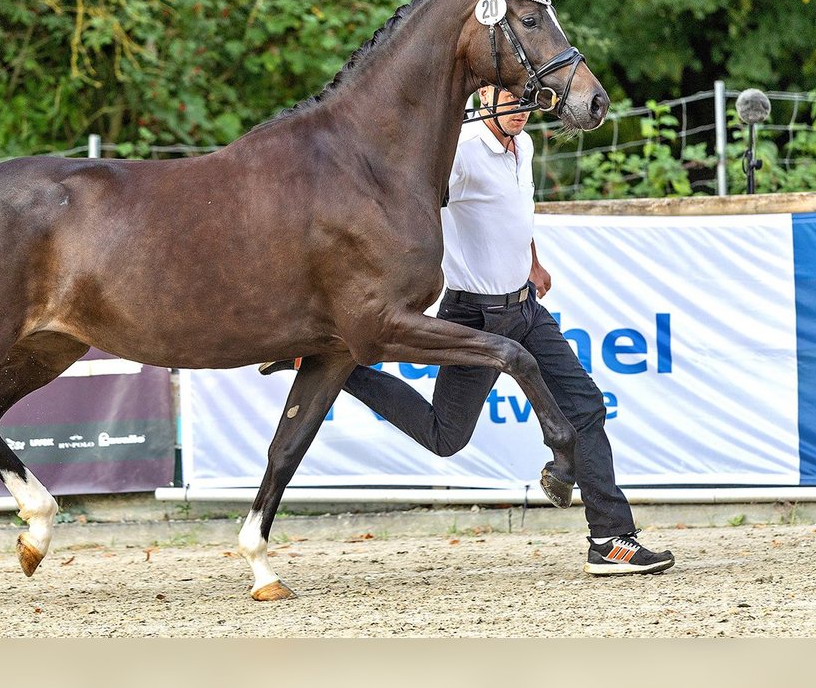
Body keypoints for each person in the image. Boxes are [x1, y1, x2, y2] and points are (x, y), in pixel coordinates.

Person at [260, 85, 674, 576]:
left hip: (526, 309)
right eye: (507, 96)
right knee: (446, 437)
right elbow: (406, 201)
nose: (519, 107)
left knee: (586, 407)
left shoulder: (525, 146)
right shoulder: (460, 151)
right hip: (474, 315)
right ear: (483, 97)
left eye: (524, 97)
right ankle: (339, 371)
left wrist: (534, 263)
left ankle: (610, 540)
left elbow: (516, 214)